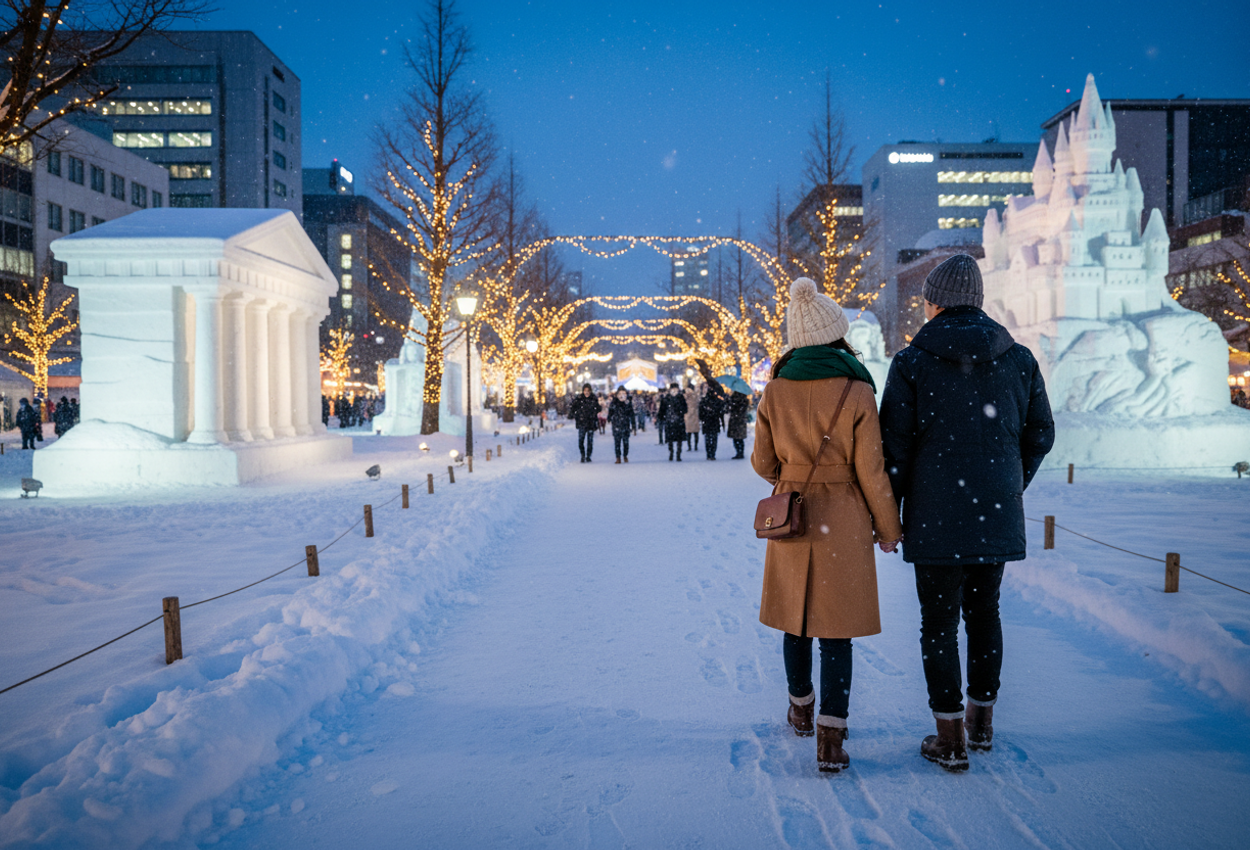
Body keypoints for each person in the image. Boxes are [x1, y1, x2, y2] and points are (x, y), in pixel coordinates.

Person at [879, 254, 1055, 773]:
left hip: (935, 514)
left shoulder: (912, 362)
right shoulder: (1018, 358)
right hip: (995, 508)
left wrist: (894, 509)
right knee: (985, 615)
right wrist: (1008, 480)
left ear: (934, 302)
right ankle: (982, 723)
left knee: (938, 623)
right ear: (978, 300)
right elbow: (1040, 433)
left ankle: (949, 734)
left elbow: (894, 449)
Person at [751, 277, 902, 774]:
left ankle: (800, 707)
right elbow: (872, 471)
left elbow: (761, 462)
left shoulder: (775, 389)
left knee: (796, 619)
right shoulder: (857, 389)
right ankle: (831, 738)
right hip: (844, 519)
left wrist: (788, 477)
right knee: (838, 630)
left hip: (793, 512)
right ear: (838, 334)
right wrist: (888, 527)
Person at [569, 383, 599, 462]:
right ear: (583, 391)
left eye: (588, 391)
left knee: (590, 441)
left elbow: (598, 408)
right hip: (582, 422)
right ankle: (582, 455)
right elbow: (573, 407)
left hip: (591, 423)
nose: (587, 392)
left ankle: (588, 456)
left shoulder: (593, 398)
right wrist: (574, 414)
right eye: (585, 391)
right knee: (581, 441)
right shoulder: (579, 399)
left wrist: (595, 410)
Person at [657, 382, 687, 461]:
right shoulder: (666, 398)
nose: (674, 391)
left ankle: (678, 454)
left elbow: (685, 409)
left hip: (679, 421)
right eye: (673, 389)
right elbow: (662, 410)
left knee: (679, 439)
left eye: (676, 389)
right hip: (669, 421)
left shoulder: (681, 398)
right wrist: (661, 418)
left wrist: (680, 410)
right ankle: (671, 452)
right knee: (670, 439)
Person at [697, 378, 725, 460]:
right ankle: (712, 453)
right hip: (714, 421)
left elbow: (701, 413)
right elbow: (721, 411)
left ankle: (709, 453)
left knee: (708, 438)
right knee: (713, 438)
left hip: (707, 421)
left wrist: (703, 418)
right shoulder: (717, 400)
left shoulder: (704, 400)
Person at [607, 388, 635, 463]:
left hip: (625, 424)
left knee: (626, 442)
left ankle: (625, 455)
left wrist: (633, 425)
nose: (621, 396)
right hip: (616, 424)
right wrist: (609, 418)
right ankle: (618, 457)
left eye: (623, 394)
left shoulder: (628, 403)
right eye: (620, 394)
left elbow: (631, 414)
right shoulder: (614, 402)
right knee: (617, 442)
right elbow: (610, 411)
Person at [727, 389, 749, 459]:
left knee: (736, 438)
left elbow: (730, 408)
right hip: (740, 420)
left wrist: (730, 402)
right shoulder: (744, 399)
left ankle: (739, 452)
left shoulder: (734, 399)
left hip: (735, 420)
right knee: (739, 438)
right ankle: (740, 452)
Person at [684, 384, 701, 451]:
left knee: (695, 432)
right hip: (688, 416)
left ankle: (695, 446)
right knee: (689, 432)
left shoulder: (695, 396)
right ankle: (689, 446)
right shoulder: (685, 397)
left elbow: (697, 402)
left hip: (694, 416)